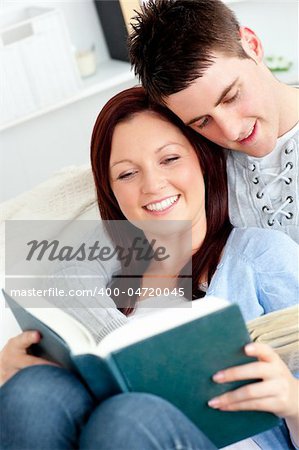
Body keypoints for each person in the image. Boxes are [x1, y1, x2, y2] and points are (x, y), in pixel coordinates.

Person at [0, 87, 298, 450]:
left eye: (170, 159)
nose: (152, 185)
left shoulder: (261, 259)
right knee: (32, 392)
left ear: (203, 160)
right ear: (111, 192)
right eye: (127, 174)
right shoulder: (103, 277)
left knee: (127, 417)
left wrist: (293, 401)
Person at [129, 0, 299, 243]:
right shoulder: (199, 163)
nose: (230, 131)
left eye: (231, 97)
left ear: (252, 45)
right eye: (203, 122)